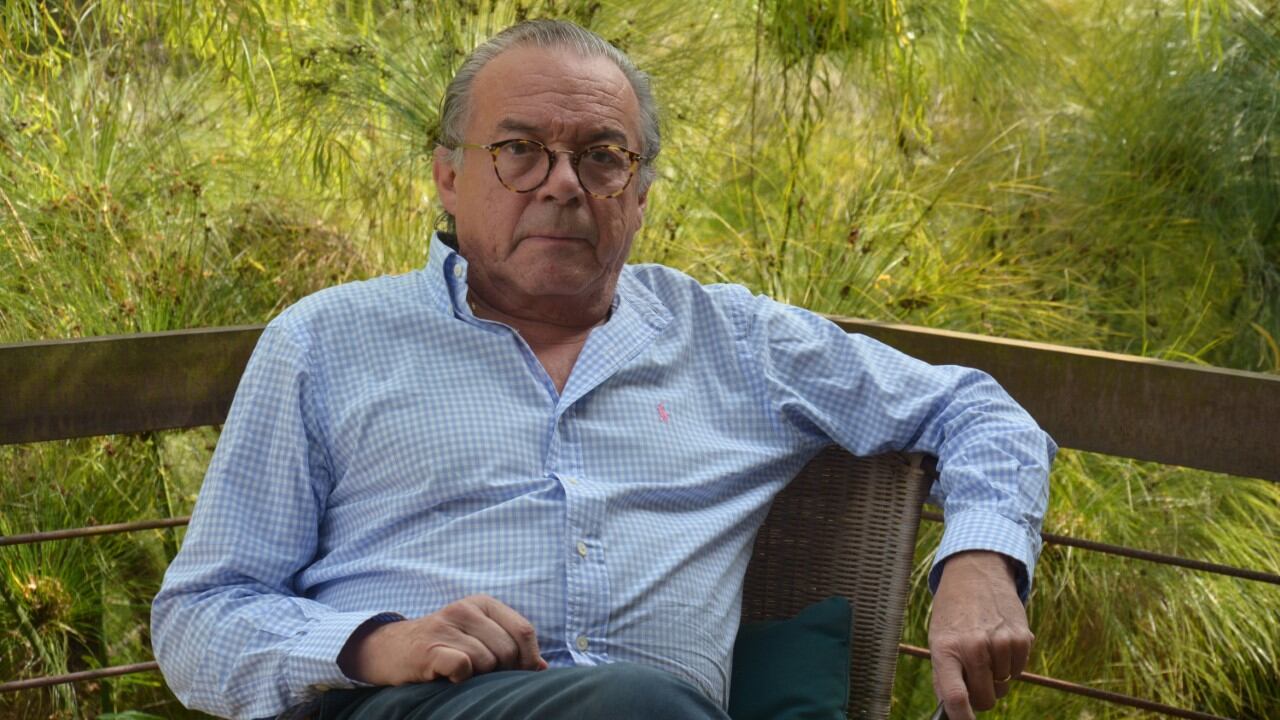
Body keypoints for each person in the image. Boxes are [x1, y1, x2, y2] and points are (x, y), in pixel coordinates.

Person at [152, 18, 1054, 720]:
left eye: (601, 157)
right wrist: (375, 644)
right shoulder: (328, 341)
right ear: (448, 178)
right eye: (519, 150)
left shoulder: (735, 342)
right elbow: (199, 618)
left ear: (641, 194)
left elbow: (976, 411)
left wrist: (980, 560)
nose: (563, 183)